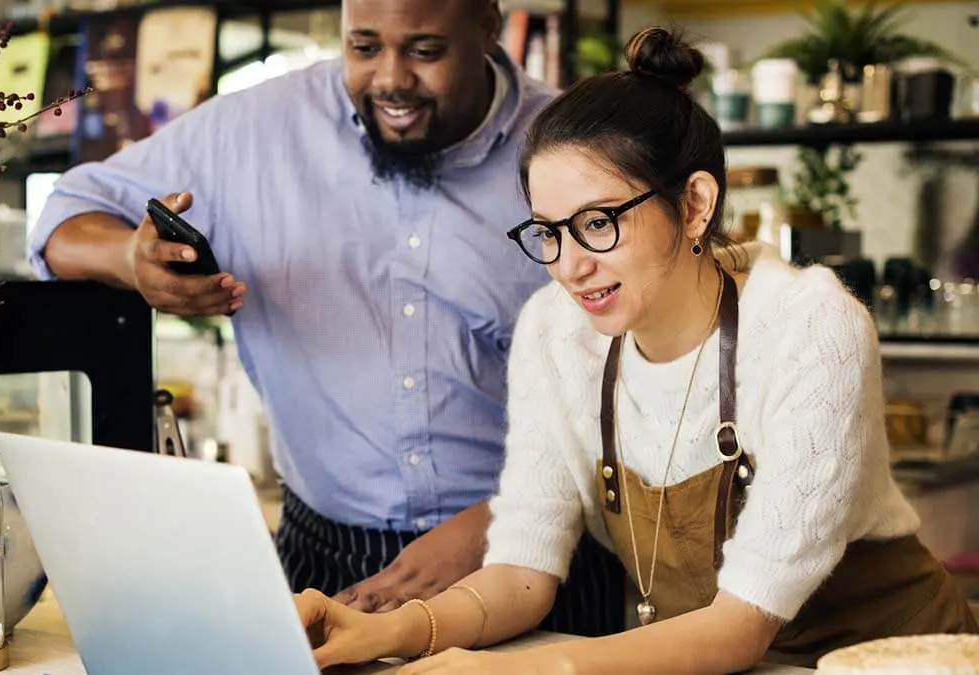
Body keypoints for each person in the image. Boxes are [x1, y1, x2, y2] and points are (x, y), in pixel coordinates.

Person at [293, 27, 979, 674]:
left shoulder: (810, 328)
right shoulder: (555, 332)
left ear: (694, 206)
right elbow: (523, 571)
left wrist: (515, 668)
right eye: (548, 232)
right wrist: (393, 631)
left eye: (597, 223)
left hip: (894, 658)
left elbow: (740, 624)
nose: (568, 265)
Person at [28, 0, 625, 636]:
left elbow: (656, 377)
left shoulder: (576, 149)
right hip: (329, 558)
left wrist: (506, 521)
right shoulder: (251, 132)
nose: (392, 78)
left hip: (541, 550)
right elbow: (65, 216)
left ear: (487, 27)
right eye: (363, 47)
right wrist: (130, 257)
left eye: (425, 51)